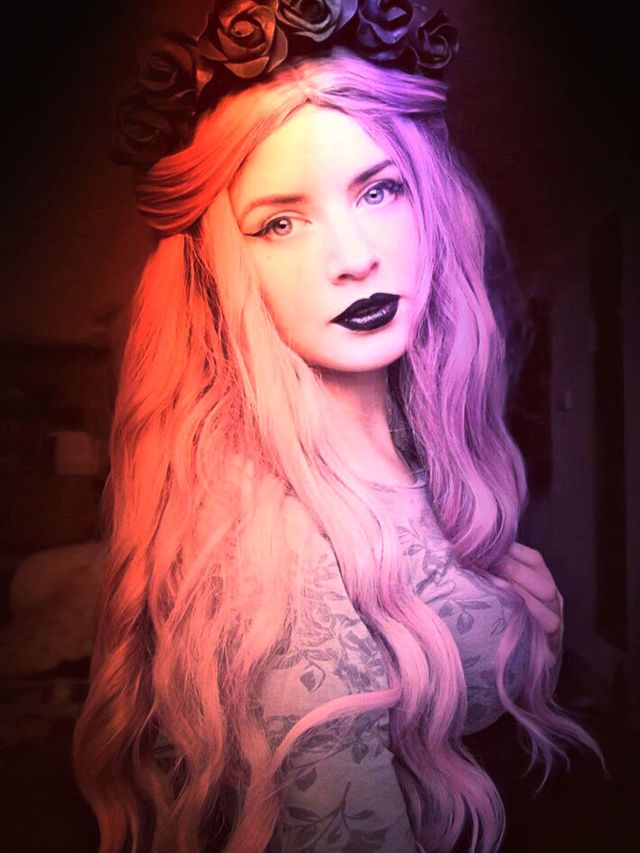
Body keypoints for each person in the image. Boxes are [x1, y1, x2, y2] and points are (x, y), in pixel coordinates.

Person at [73, 3, 602, 851]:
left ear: (429, 205)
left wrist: (527, 629)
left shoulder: (406, 452)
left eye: (378, 190)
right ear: (219, 268)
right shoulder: (280, 555)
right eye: (280, 223)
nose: (353, 257)